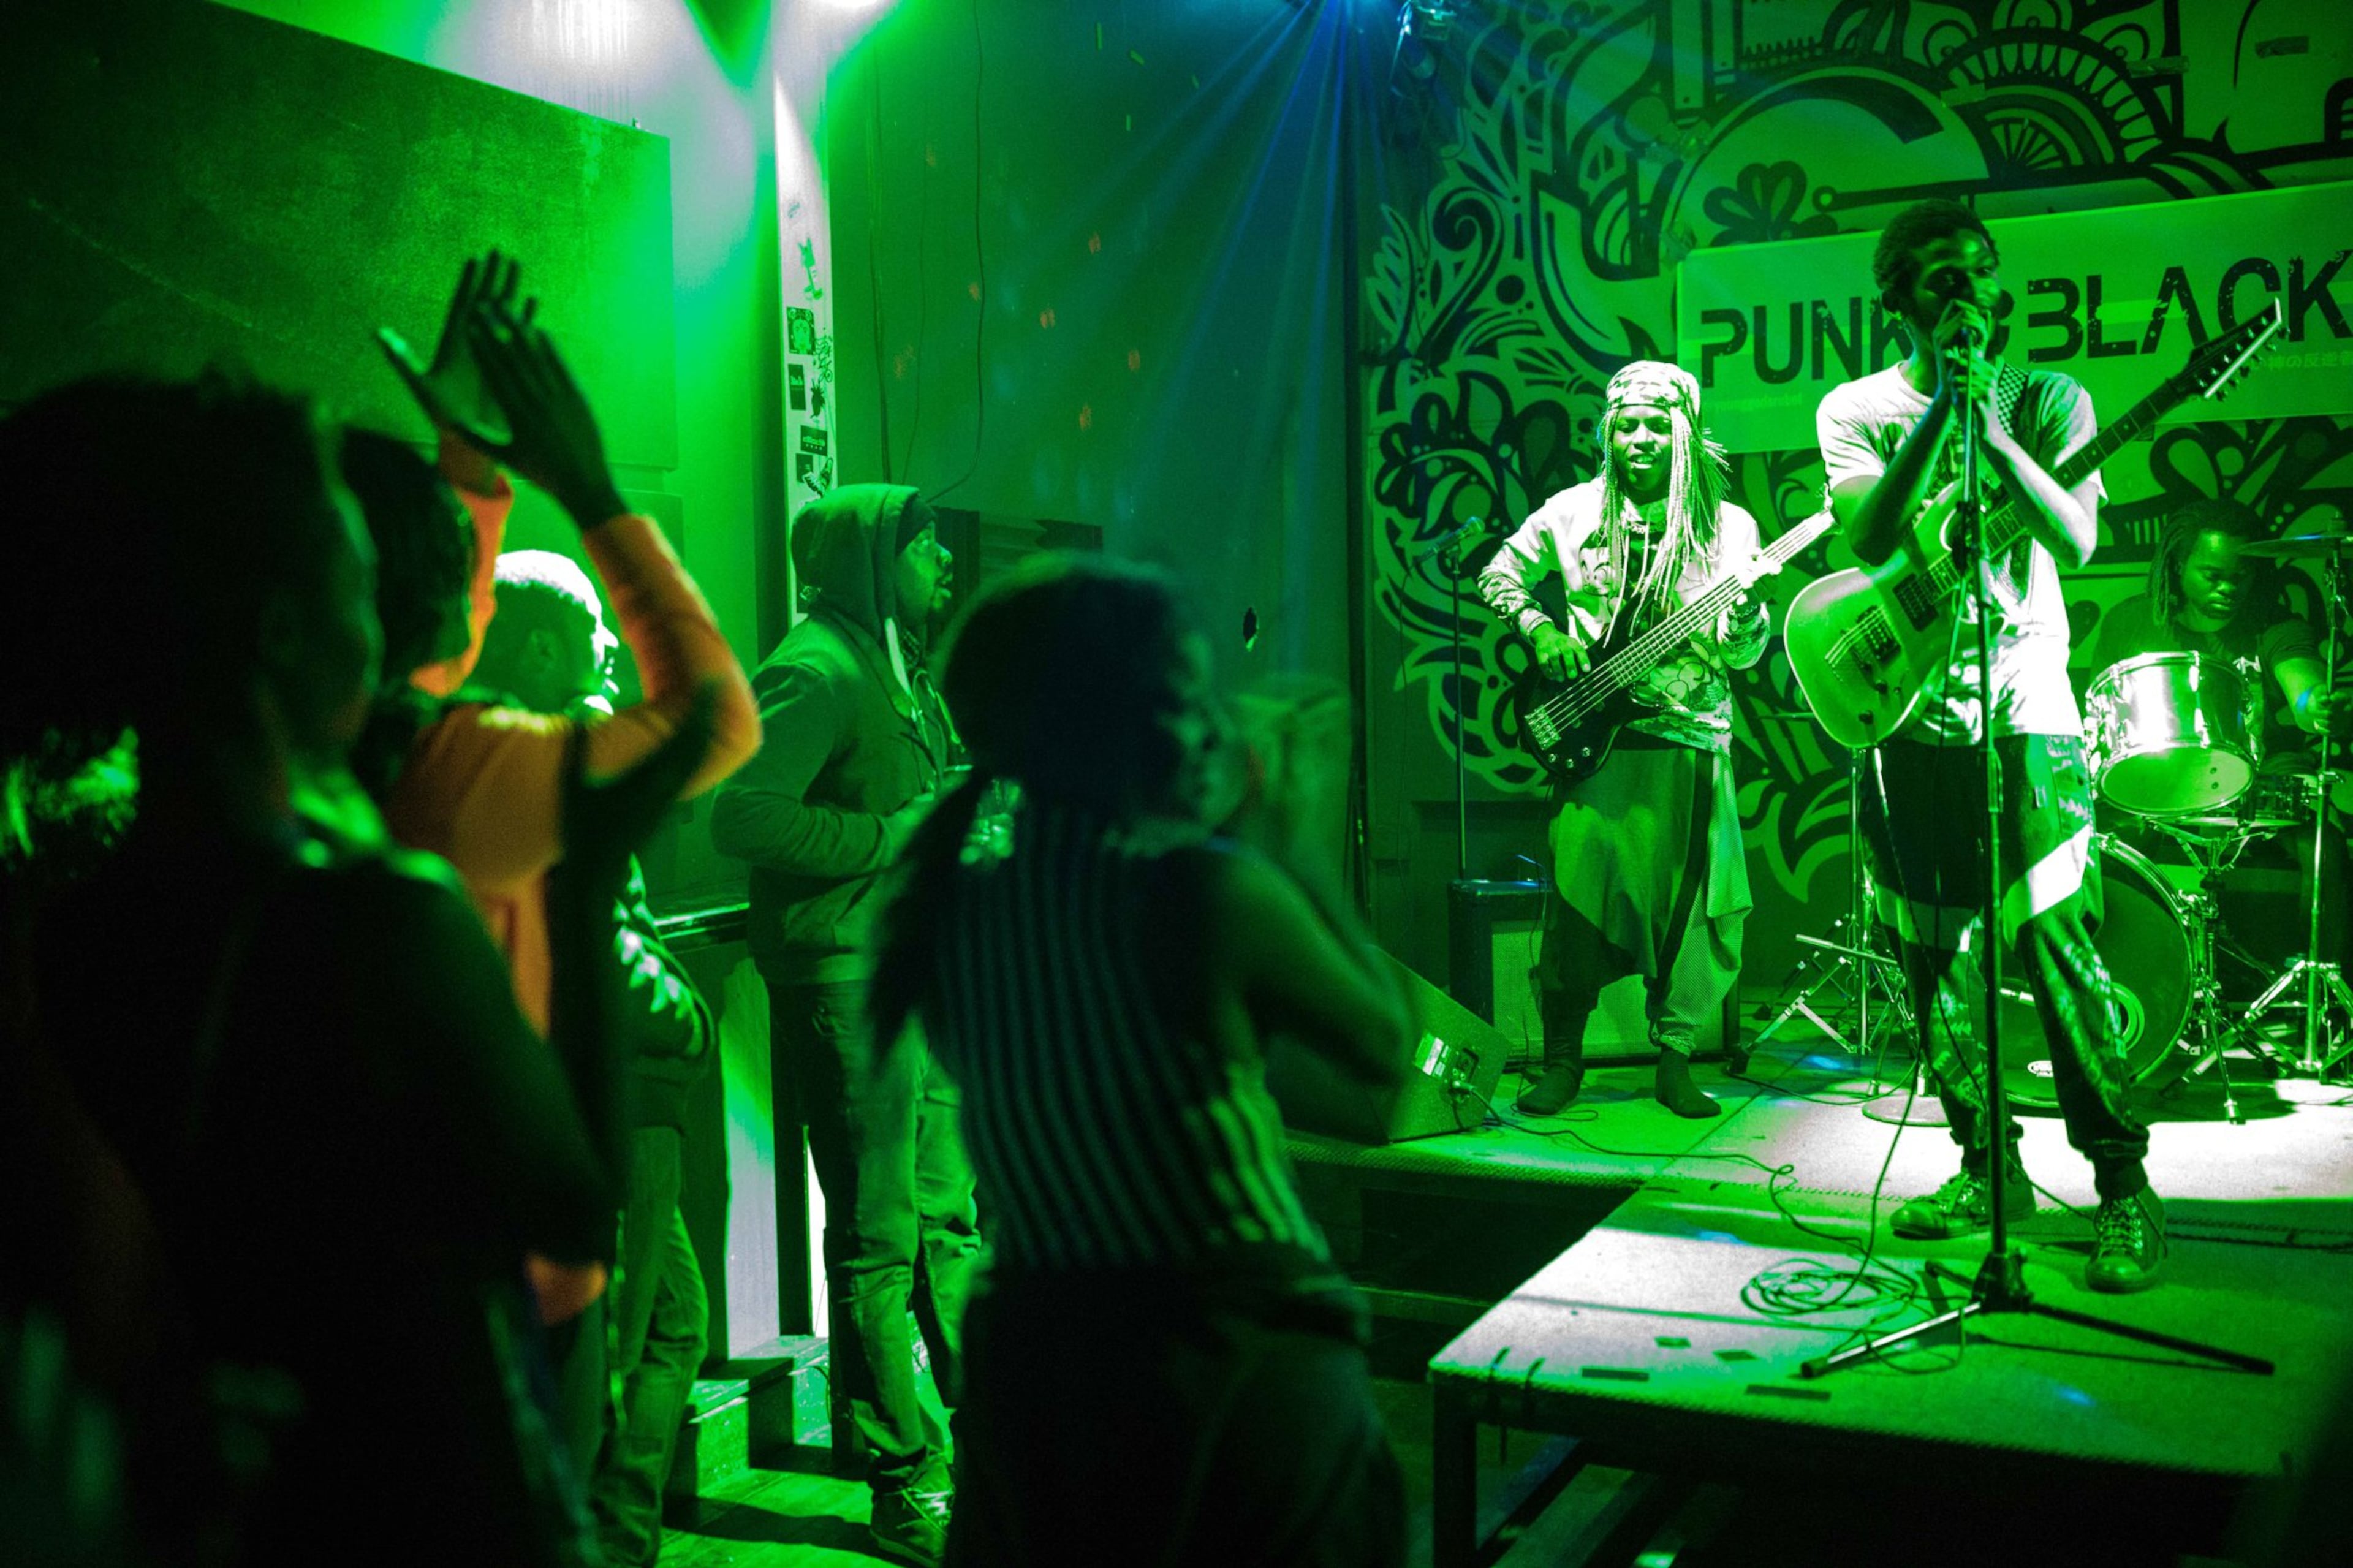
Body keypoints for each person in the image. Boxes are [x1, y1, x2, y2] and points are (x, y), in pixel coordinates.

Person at [0, 373, 669, 1564]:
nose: (397, 633)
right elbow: (573, 1198)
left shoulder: (74, 911)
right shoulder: (382, 921)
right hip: (422, 1480)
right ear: (283, 630)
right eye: (360, 583)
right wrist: (578, 892)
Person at [868, 553, 1409, 1567]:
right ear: (1125, 717)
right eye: (1187, 689)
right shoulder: (1203, 890)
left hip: (1041, 1356)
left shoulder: (948, 904)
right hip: (1230, 1349)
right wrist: (1289, 834)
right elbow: (1383, 1047)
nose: (1210, 719)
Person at [1816, 198, 2161, 1291]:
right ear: (1899, 302)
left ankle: (2121, 1183)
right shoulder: (1856, 408)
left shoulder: (2053, 398)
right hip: (1913, 712)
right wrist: (1940, 415)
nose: (1965, 289)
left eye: (1980, 271)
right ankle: (1981, 1162)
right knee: (1934, 956)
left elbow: (2075, 534)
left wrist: (1993, 429)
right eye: (1938, 277)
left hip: (2027, 703)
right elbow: (1869, 536)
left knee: (2060, 946)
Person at [708, 484, 976, 1567]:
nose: (946, 563)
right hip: (847, 983)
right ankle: (902, 1479)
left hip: (914, 977)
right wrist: (885, 834)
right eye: (923, 546)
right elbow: (738, 810)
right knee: (877, 1241)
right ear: (872, 556)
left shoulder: (893, 661)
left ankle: (976, 1439)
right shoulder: (815, 664)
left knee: (945, 1223)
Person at [473, 549, 716, 1568]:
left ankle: (616, 1531)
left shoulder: (497, 752)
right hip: (611, 1095)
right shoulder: (544, 761)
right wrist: (690, 1015)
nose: (614, 646)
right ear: (539, 645)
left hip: (577, 1098)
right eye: (594, 627)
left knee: (670, 1324)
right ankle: (610, 1539)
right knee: (619, 1346)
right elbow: (601, 944)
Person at [1477, 360, 1771, 1119]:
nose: (1640, 438)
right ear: (1608, 434)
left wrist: (1745, 632)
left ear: (1687, 431)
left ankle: (1674, 1060)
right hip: (1593, 740)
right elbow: (1500, 575)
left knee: (1694, 910)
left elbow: (1742, 653)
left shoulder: (1730, 527)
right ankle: (1562, 1060)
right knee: (1577, 901)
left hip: (1690, 742)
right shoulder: (1572, 512)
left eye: (1657, 424)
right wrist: (1540, 630)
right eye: (1625, 425)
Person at [2086, 496, 2351, 967]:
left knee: (2325, 847)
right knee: (2098, 844)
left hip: (2260, 774)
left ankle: (2328, 992)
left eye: (2241, 574)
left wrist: (2316, 704)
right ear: (2178, 564)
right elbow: (2097, 719)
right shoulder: (2129, 622)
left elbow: (2303, 689)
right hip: (2155, 778)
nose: (2230, 586)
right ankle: (2133, 982)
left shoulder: (2274, 623)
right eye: (2213, 574)